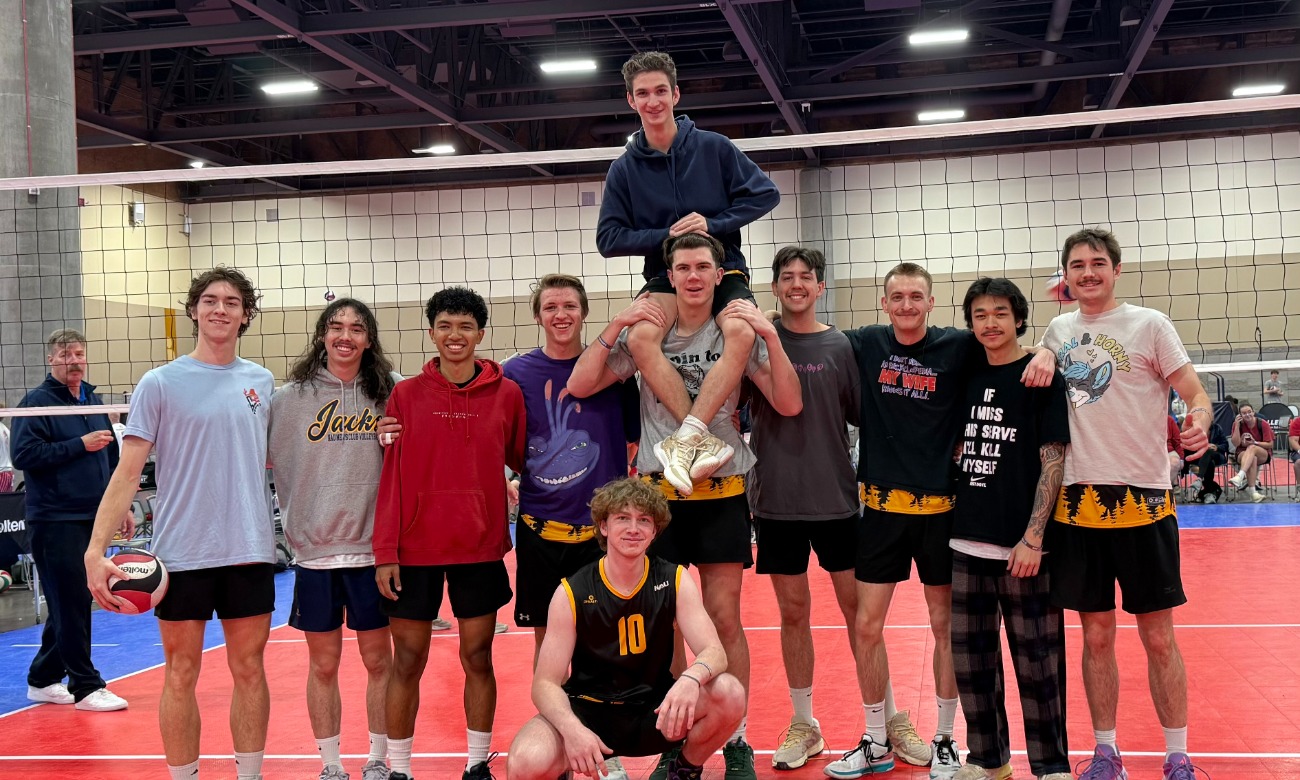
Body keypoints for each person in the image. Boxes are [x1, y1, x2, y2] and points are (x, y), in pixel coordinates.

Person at [568, 232, 803, 780]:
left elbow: (789, 402)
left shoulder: (736, 330)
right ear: (669, 276)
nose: (693, 276)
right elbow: (581, 384)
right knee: (668, 624)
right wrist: (617, 323)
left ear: (720, 276)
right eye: (682, 268)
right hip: (659, 495)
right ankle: (681, 740)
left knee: (724, 620)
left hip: (720, 492)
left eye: (703, 266)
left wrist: (770, 332)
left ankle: (737, 740)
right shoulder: (650, 330)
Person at [832, 263, 1055, 780]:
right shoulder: (865, 342)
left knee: (945, 628)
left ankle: (946, 739)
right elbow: (808, 335)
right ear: (883, 303)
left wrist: (1050, 347)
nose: (907, 305)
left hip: (942, 513)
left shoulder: (958, 345)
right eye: (897, 297)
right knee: (866, 626)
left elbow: (1009, 345)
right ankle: (874, 738)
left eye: (916, 296)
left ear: (931, 303)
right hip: (883, 511)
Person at [86, 267, 278, 780]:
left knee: (249, 670)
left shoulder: (262, 383)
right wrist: (94, 550)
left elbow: (288, 461)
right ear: (193, 309)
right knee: (182, 672)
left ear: (245, 315)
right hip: (180, 554)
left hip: (249, 548)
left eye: (232, 302)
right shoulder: (159, 382)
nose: (220, 309)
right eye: (210, 300)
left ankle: (251, 775)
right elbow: (128, 473)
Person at [1041, 228, 1212, 780]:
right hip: (1079, 506)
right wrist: (1043, 351)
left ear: (1116, 269)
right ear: (1064, 275)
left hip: (1144, 503)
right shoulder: (1058, 329)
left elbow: (1195, 391)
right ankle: (1107, 752)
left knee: (1159, 637)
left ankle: (1177, 754)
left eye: (1097, 264)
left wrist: (1200, 422)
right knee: (1095, 637)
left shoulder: (1150, 324)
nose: (1087, 273)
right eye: (1077, 265)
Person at [597, 50, 780, 495]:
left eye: (661, 91)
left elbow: (766, 195)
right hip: (665, 274)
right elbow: (608, 239)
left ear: (675, 94)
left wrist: (712, 225)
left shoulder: (713, 147)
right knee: (640, 338)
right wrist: (666, 236)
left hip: (724, 267)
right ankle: (701, 437)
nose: (653, 100)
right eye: (643, 94)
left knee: (740, 331)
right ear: (631, 101)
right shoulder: (624, 169)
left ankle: (690, 434)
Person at [373, 287, 526, 780]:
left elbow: (524, 458)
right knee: (408, 660)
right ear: (432, 332)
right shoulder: (406, 395)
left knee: (477, 656)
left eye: (465, 327)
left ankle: (477, 764)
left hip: (479, 546)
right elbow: (392, 476)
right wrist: (385, 550)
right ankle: (399, 769)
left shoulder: (507, 394)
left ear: (481, 334)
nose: (454, 335)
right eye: (445, 326)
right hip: (414, 548)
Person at [506, 478, 747, 780]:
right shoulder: (572, 592)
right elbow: (545, 684)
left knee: (729, 693)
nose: (633, 529)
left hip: (656, 712)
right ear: (603, 527)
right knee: (524, 762)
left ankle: (684, 769)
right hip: (589, 711)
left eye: (643, 520)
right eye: (622, 518)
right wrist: (572, 731)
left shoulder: (674, 579)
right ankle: (563, 768)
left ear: (654, 531)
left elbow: (714, 652)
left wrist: (690, 678)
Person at [504, 274, 641, 780]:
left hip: (599, 536)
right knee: (549, 649)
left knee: (603, 647)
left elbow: (631, 440)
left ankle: (605, 750)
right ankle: (560, 743)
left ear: (584, 313)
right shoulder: (515, 372)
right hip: (542, 533)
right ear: (538, 315)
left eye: (569, 306)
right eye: (550, 307)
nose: (560, 315)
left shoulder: (614, 370)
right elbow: (501, 439)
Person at [268, 298, 398, 780]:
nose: (346, 336)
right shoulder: (287, 400)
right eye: (337, 326)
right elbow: (250, 458)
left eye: (357, 328)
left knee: (377, 662)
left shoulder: (391, 393)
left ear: (369, 339)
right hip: (314, 554)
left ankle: (380, 759)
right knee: (322, 666)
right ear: (322, 334)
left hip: (373, 554)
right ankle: (330, 764)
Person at [744, 247, 863, 771]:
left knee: (861, 615)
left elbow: (862, 415)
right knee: (793, 615)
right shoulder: (751, 345)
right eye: (786, 277)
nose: (796, 284)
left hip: (836, 499)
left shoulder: (841, 345)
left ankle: (881, 721)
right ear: (774, 288)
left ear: (819, 287)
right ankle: (804, 722)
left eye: (806, 277)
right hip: (776, 502)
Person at [949, 278, 1072, 780]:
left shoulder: (1041, 376)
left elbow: (1054, 461)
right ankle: (986, 760)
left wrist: (1033, 537)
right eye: (979, 315)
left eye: (1000, 312)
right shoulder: (967, 373)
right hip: (965, 540)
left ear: (1019, 318)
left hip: (1024, 545)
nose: (990, 323)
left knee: (1038, 662)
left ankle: (1050, 766)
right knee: (972, 663)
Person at [9, 329, 129, 712]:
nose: (74, 360)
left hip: (91, 518)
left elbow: (110, 459)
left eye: (79, 353)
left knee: (71, 600)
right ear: (51, 360)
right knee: (73, 601)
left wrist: (121, 505)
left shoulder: (92, 399)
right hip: (54, 519)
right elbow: (23, 456)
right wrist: (79, 444)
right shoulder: (37, 402)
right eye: (65, 354)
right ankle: (86, 686)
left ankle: (43, 679)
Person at [1228, 402, 1273, 503]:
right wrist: (1236, 426)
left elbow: (1270, 444)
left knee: (1252, 448)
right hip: (1242, 453)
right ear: (1240, 415)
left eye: (1249, 412)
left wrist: (1255, 442)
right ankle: (1253, 493)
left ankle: (1240, 475)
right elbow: (1236, 443)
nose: (1247, 415)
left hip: (1262, 453)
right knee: (1252, 458)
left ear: (1254, 412)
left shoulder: (1262, 423)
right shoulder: (1237, 424)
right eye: (1244, 413)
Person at [1166, 416, 1184, 489]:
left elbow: (1177, 441)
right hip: (1149, 451)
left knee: (1175, 462)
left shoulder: (1169, 420)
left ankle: (1165, 489)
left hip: (1168, 449)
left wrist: (1181, 458)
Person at [1289, 416, 1300, 501]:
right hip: (1298, 451)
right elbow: (1293, 441)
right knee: (1299, 462)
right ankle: (1299, 489)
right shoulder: (1297, 422)